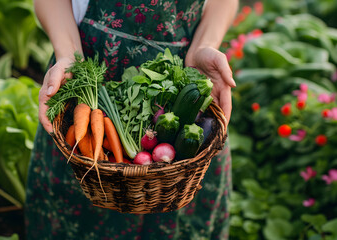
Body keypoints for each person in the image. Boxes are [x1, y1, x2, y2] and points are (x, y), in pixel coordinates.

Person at [25, 0, 238, 239]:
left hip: (179, 93)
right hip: (89, 79)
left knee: (177, 199)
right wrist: (68, 55)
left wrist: (203, 46)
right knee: (80, 198)